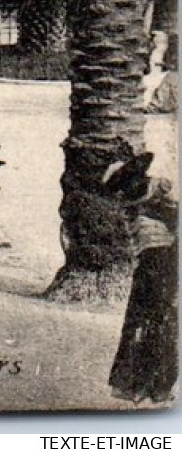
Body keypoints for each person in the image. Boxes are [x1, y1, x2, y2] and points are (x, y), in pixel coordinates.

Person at [106, 145, 178, 405]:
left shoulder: (137, 200)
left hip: (153, 263)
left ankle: (143, 385)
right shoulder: (152, 195)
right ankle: (154, 385)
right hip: (159, 262)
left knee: (145, 323)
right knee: (159, 323)